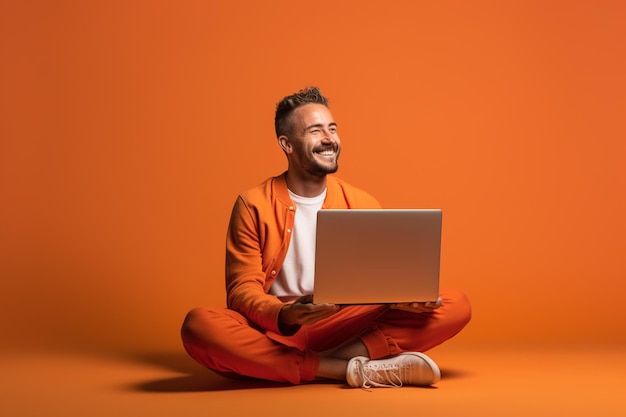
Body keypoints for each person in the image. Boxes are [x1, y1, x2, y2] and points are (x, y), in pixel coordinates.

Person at [181, 86, 471, 388]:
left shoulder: (361, 201)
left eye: (332, 129)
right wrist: (286, 314)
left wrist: (403, 299)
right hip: (277, 328)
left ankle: (322, 363)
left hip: (340, 324)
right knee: (198, 325)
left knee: (456, 303)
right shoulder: (252, 203)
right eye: (315, 131)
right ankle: (352, 370)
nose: (329, 138)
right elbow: (242, 291)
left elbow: (380, 281)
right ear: (287, 144)